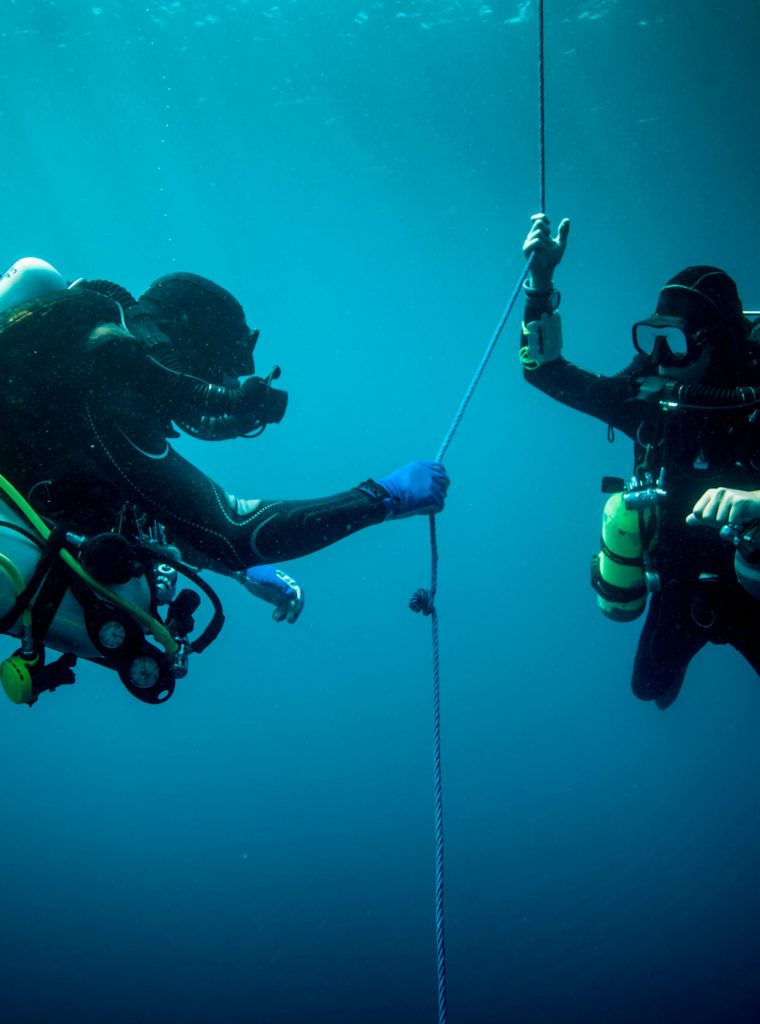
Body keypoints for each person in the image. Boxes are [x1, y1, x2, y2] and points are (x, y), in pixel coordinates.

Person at [0, 259, 449, 701]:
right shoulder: (107, 389)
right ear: (187, 345)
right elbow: (235, 531)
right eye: (220, 371)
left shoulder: (76, 389)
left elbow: (167, 518)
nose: (218, 393)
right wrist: (382, 497)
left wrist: (239, 571)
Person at [520, 213, 760, 708]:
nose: (659, 355)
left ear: (715, 340)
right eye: (651, 336)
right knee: (647, 687)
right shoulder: (649, 403)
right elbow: (544, 373)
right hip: (678, 579)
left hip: (755, 585)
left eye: (673, 340)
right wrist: (540, 285)